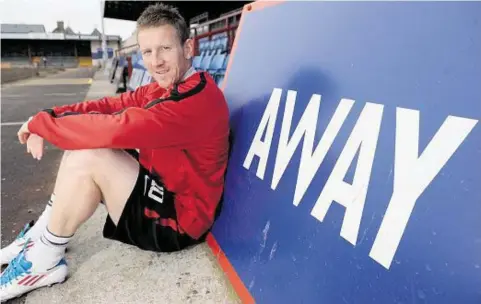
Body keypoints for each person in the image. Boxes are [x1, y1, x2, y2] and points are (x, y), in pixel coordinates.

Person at [0, 3, 230, 301]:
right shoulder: (165, 85)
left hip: (179, 220)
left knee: (91, 155)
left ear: (187, 48)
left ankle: (42, 262)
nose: (156, 61)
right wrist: (50, 113)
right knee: (86, 148)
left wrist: (44, 125)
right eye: (147, 52)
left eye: (165, 48)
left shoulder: (196, 101)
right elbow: (111, 106)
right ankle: (39, 239)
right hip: (162, 184)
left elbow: (116, 128)